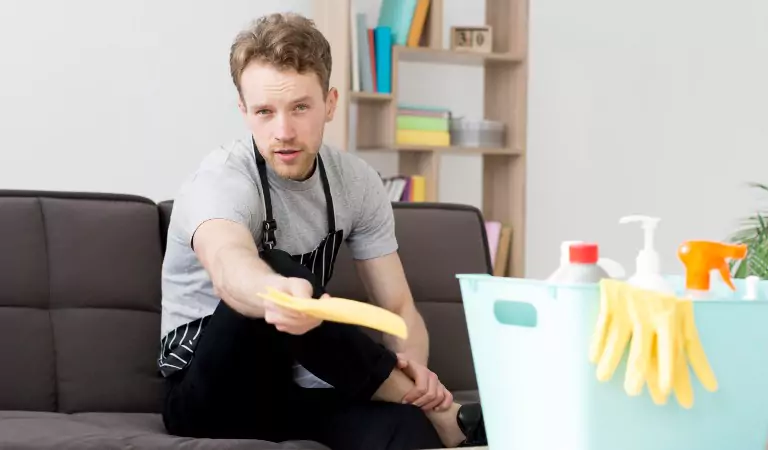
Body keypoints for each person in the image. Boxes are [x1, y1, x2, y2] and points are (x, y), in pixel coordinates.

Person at [158, 11, 487, 450]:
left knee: (407, 432)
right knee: (274, 273)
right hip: (207, 393)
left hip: (291, 390)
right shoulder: (221, 179)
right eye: (264, 112)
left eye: (300, 107)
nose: (283, 131)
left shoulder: (356, 182)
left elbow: (398, 306)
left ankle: (423, 408)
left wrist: (415, 376)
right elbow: (228, 263)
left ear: (329, 103)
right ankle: (437, 410)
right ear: (244, 111)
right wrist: (277, 294)